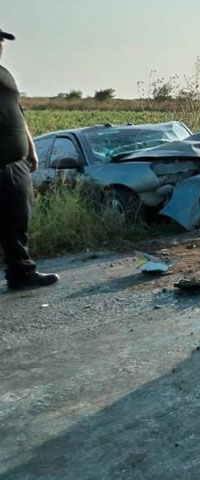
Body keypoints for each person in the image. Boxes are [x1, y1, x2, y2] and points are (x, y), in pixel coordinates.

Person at [0, 26, 58, 291]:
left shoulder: (5, 75)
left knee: (17, 219)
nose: (0, 45)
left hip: (16, 164)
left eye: (1, 41)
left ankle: (21, 274)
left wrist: (31, 148)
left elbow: (18, 114)